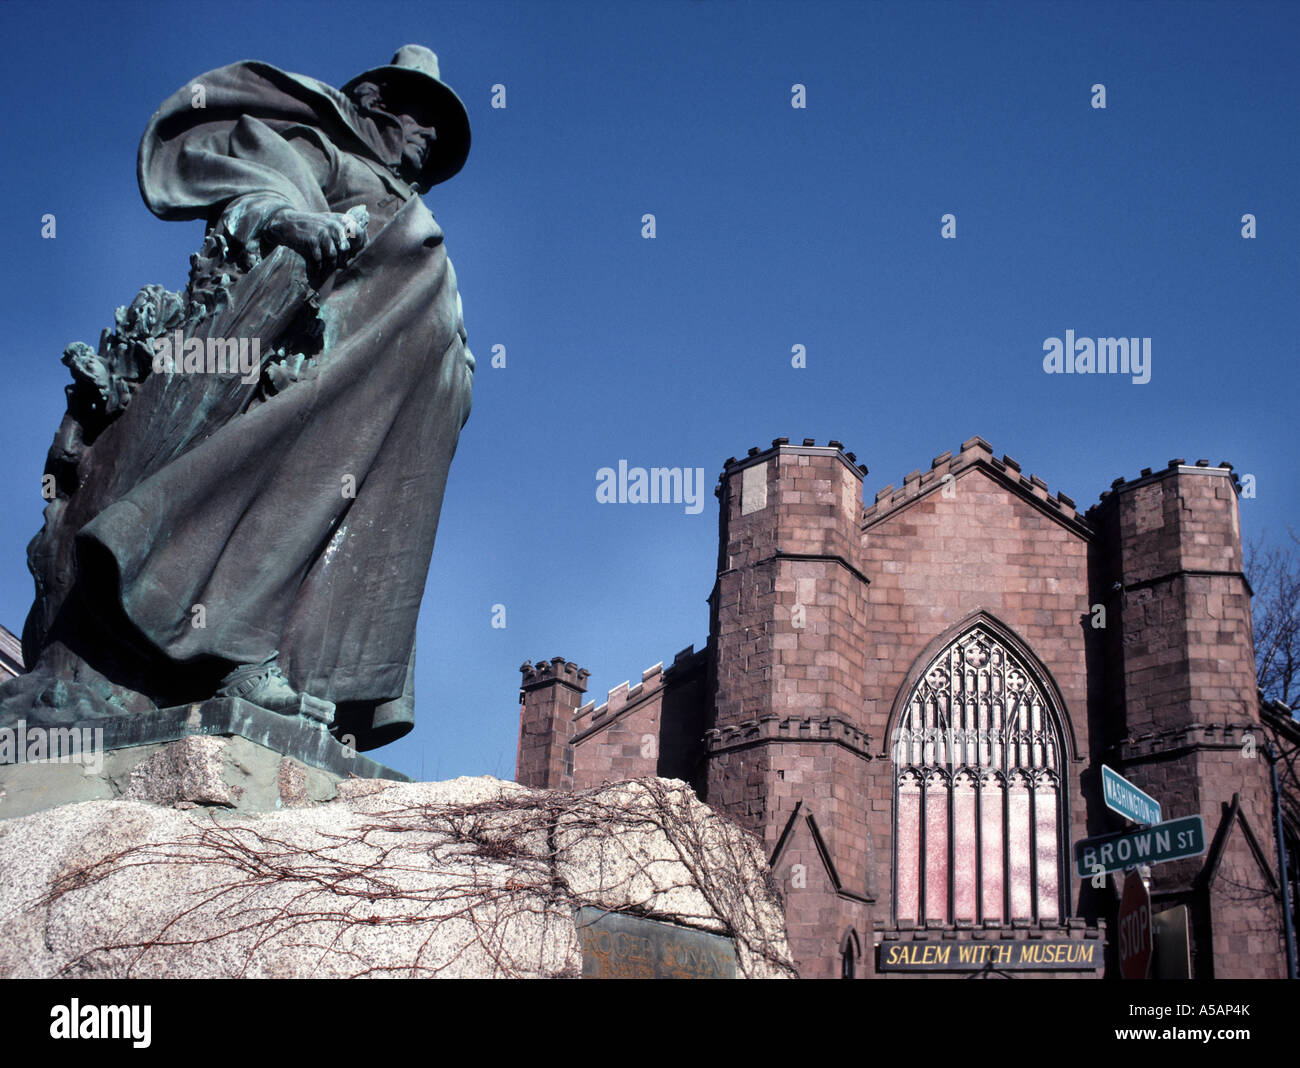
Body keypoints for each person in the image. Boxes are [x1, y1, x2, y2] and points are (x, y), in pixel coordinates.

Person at [5, 46, 474, 751]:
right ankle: (229, 644)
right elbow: (261, 190)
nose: (432, 137)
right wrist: (295, 222)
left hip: (380, 392)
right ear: (375, 100)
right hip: (303, 360)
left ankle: (295, 660)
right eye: (424, 116)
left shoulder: (410, 212)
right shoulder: (328, 154)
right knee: (420, 252)